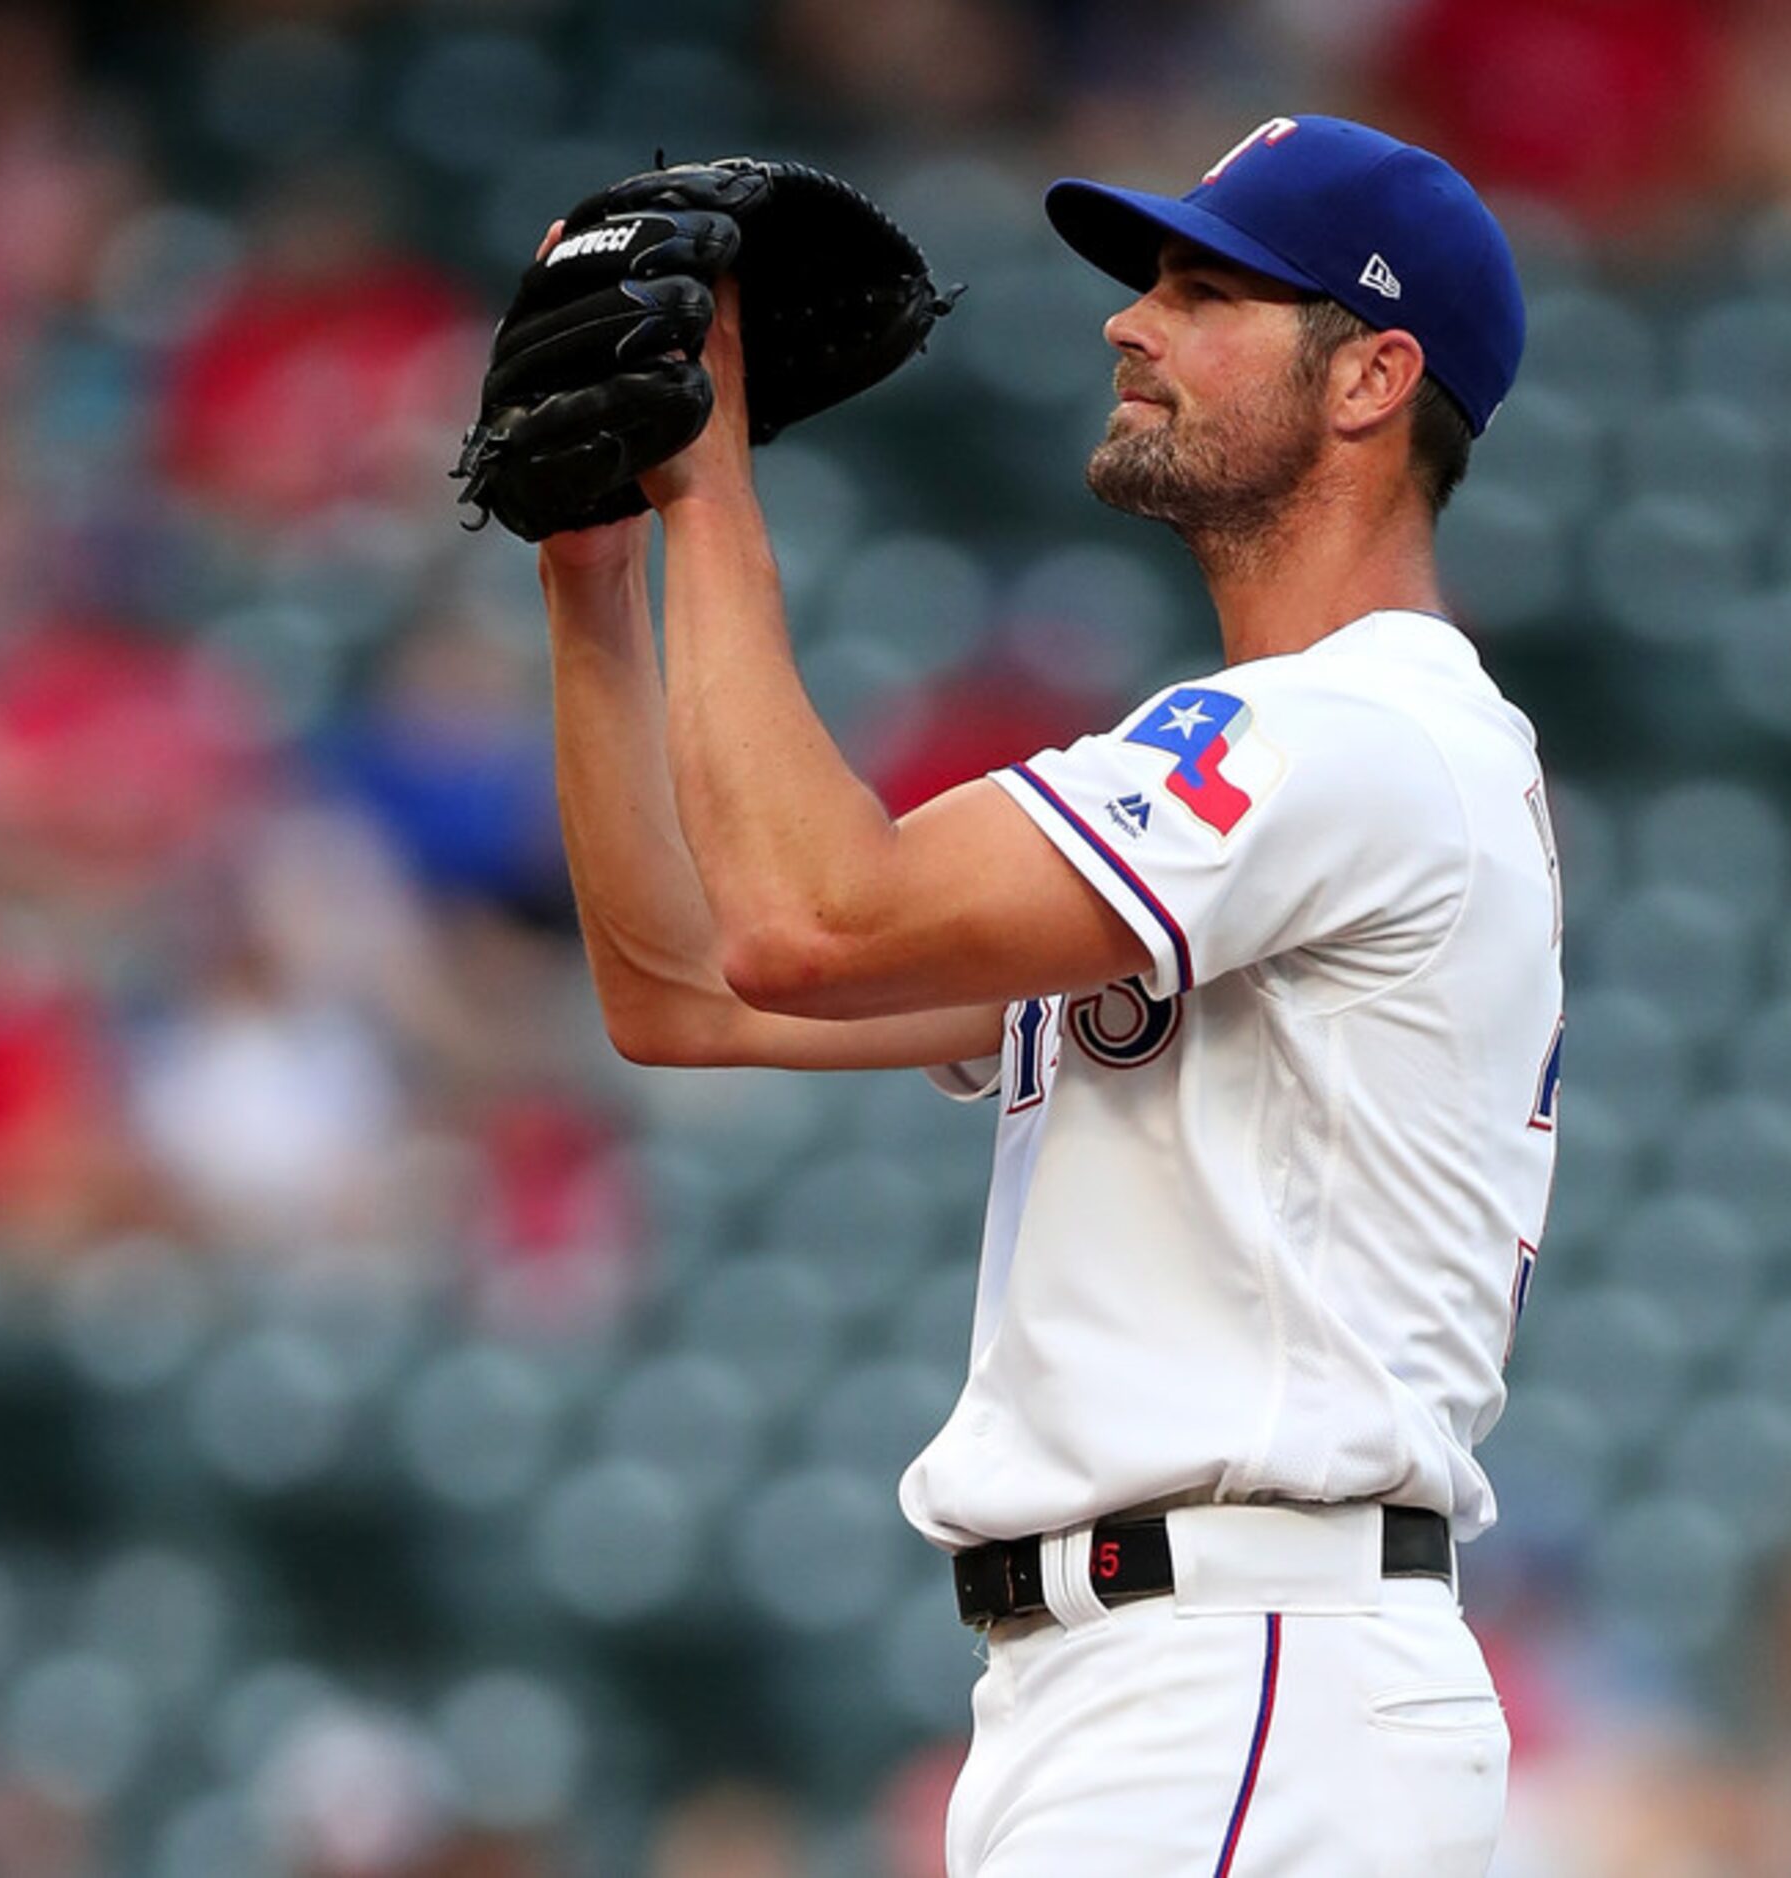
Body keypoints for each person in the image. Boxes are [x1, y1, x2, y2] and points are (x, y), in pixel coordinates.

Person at [535, 115, 1556, 1875]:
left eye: (1206, 287)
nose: (1128, 322)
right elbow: (681, 989)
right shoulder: (1291, 767)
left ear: (1374, 375)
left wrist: (711, 488)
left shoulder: (1356, 734)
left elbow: (804, 923)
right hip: (1149, 1689)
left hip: (1250, 1672)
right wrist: (597, 575)